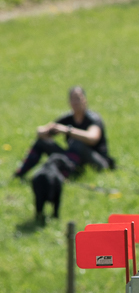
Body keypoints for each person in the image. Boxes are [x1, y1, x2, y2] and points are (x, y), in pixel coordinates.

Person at [12, 86, 114, 227]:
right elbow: (41, 131)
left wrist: (67, 130)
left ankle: (65, 174)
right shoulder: (67, 118)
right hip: (73, 159)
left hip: (96, 162)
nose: (75, 102)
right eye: (72, 99)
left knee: (77, 143)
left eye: (78, 99)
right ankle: (20, 173)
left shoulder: (93, 119)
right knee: (43, 142)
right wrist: (48, 131)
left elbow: (92, 138)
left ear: (85, 100)